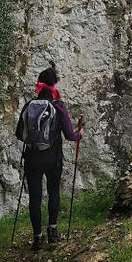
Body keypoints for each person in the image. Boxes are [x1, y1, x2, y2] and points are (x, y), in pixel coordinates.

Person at [16, 62, 84, 251]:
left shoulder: (29, 106)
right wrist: (80, 133)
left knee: (35, 198)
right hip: (53, 159)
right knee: (53, 192)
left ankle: (37, 238)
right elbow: (70, 135)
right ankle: (52, 231)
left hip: (32, 158)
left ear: (39, 84)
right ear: (54, 86)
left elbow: (18, 134)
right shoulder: (58, 106)